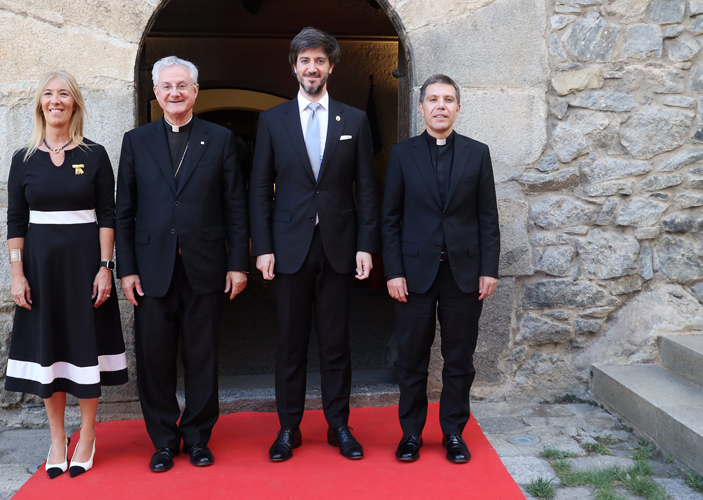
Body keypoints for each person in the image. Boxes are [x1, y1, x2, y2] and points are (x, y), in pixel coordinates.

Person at [249, 27, 380, 462]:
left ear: (331, 66)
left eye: (319, 60)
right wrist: (262, 247)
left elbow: (366, 187)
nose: (312, 68)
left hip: (340, 246)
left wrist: (366, 244)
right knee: (289, 341)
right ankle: (288, 428)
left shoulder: (355, 120)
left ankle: (339, 425)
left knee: (336, 341)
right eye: (304, 61)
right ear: (294, 66)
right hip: (288, 247)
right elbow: (258, 189)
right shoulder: (272, 120)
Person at [116, 56, 249, 473]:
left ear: (195, 91)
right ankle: (162, 440)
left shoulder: (221, 139)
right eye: (167, 86)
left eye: (183, 86)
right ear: (155, 93)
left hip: (205, 266)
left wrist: (238, 263)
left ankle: (197, 437)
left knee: (202, 356)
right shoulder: (135, 141)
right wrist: (127, 268)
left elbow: (235, 206)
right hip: (151, 267)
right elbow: (124, 211)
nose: (175, 93)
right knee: (154, 359)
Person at [5, 70, 128, 479]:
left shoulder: (94, 154)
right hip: (40, 270)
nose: (55, 100)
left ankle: (88, 435)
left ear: (74, 103)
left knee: (84, 347)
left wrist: (105, 268)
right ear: (40, 104)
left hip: (84, 267)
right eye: (48, 94)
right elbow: (15, 220)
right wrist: (17, 273)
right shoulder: (23, 159)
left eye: (63, 94)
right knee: (50, 350)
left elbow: (108, 215)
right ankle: (58, 438)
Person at [381, 74, 500, 464]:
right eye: (433, 99)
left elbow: (488, 216)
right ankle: (411, 434)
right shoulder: (402, 154)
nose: (440, 106)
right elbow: (391, 218)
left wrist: (489, 269)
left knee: (459, 359)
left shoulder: (477, 153)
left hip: (463, 274)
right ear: (421, 108)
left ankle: (452, 433)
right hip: (413, 274)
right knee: (412, 358)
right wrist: (393, 271)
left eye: (448, 99)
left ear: (458, 107)